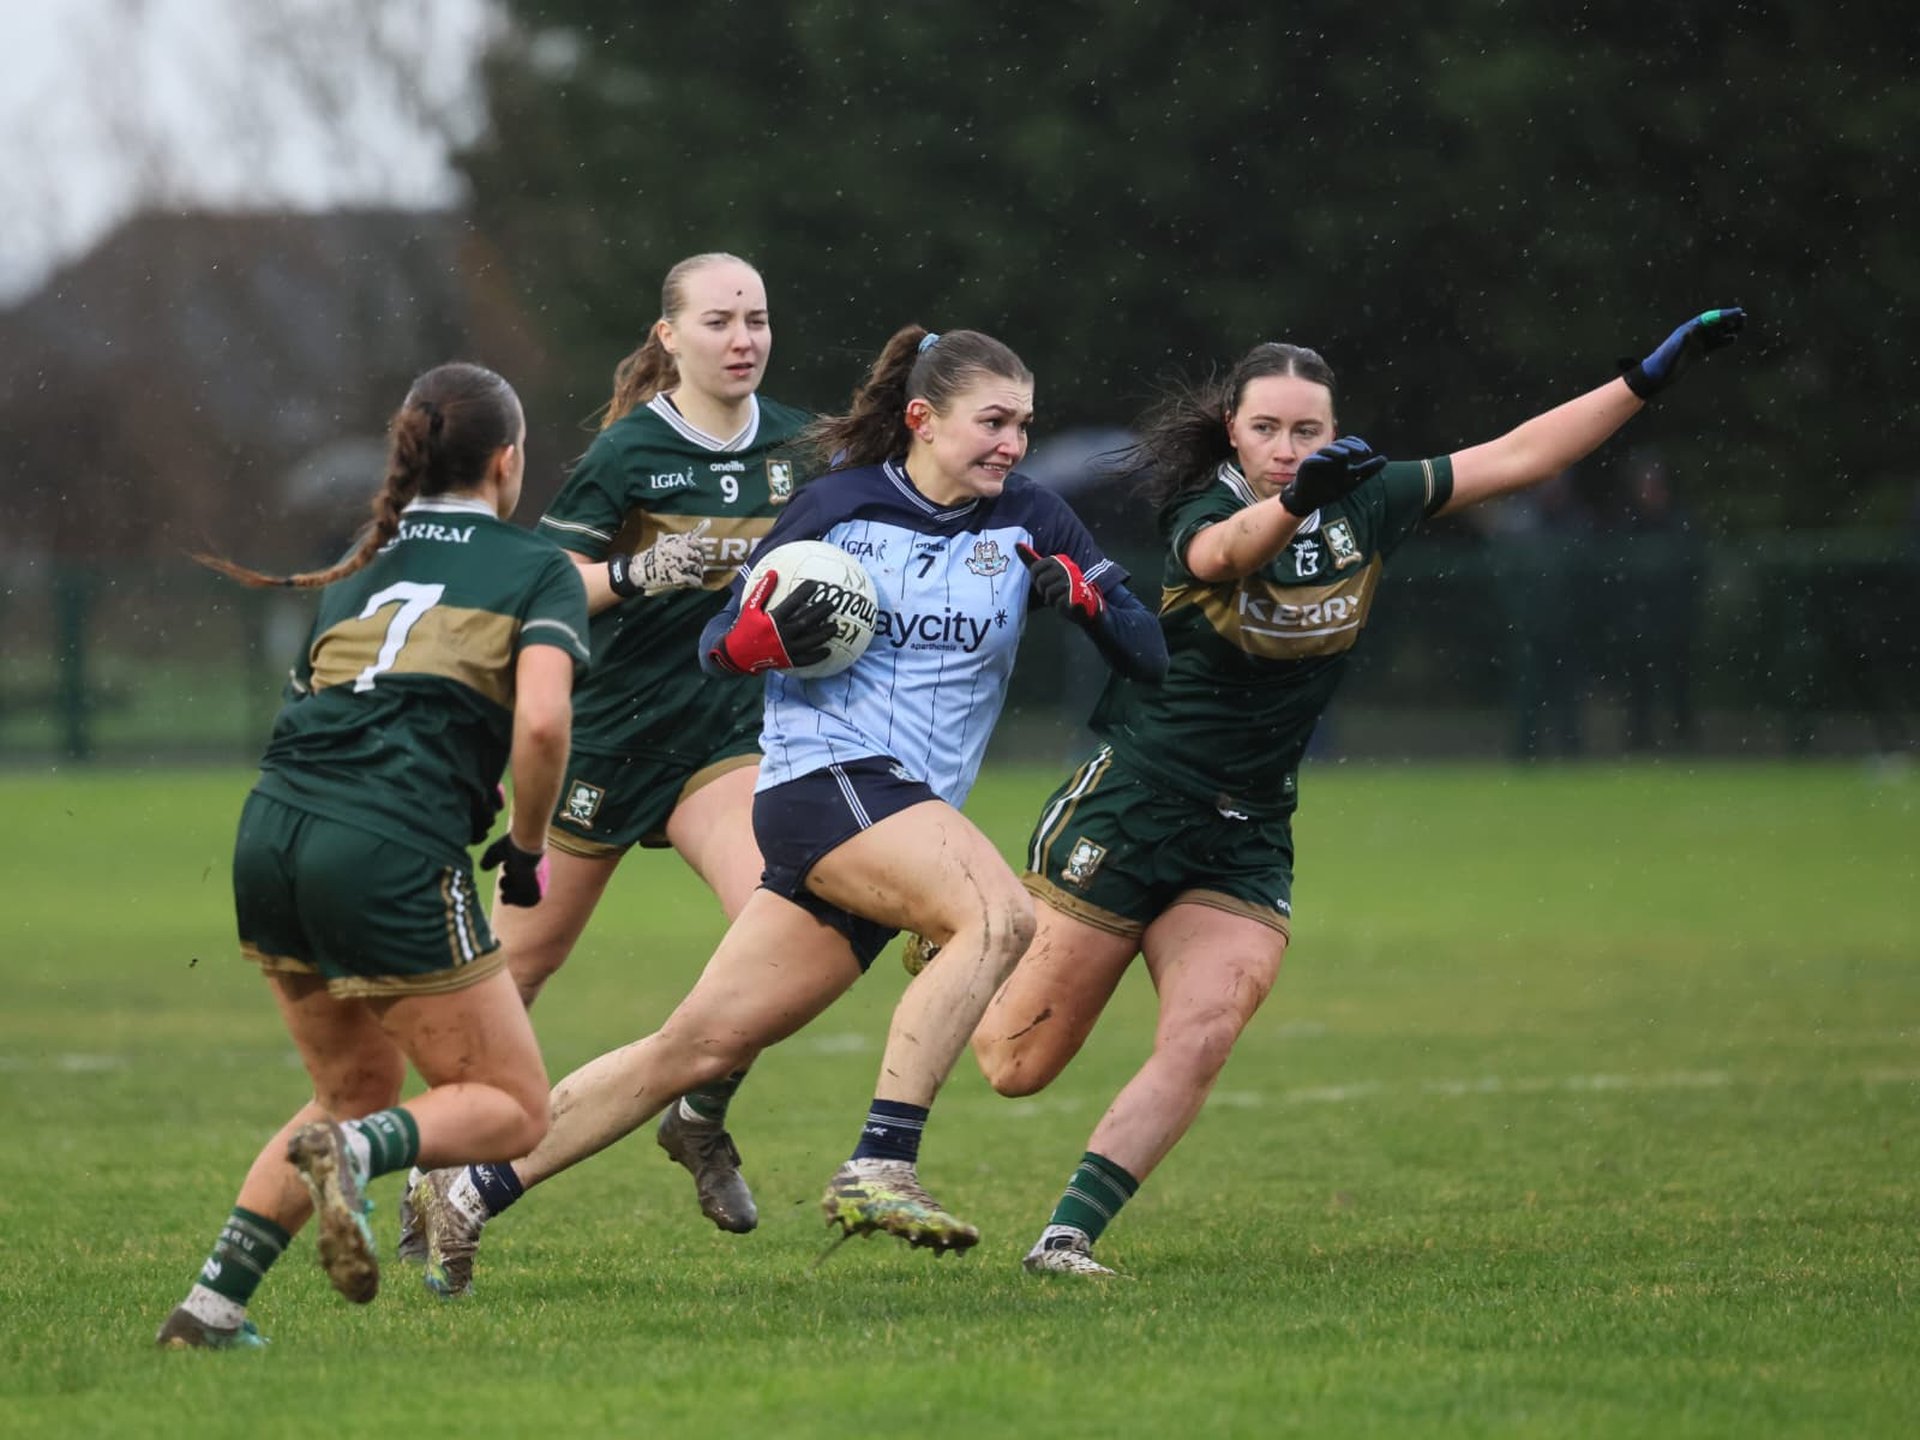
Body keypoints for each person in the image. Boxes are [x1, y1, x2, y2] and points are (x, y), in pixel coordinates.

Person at [970, 308, 1748, 1277]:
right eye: (1267, 430)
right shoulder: (1201, 508)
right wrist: (1298, 504)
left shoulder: (1369, 497)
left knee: (1206, 1031)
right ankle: (964, 925)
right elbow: (1224, 558)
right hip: (1136, 802)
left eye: (1309, 432)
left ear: (1334, 432)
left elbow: (1519, 454)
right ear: (1231, 431)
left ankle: (1066, 1237)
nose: (1289, 449)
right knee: (1015, 1066)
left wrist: (1645, 380)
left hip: (1248, 828)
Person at [408, 325, 1169, 1294]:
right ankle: (880, 1163)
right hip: (823, 785)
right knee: (1001, 913)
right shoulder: (838, 505)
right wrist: (757, 637)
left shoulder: (1032, 518)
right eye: (993, 422)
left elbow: (1149, 651)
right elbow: (718, 643)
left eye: (1023, 424)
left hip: (901, 818)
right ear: (923, 420)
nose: (1012, 444)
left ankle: (470, 1193)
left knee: (694, 1047)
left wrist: (1091, 605)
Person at [155, 362, 589, 1347]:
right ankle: (352, 1156)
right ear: (508, 461)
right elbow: (545, 726)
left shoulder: (360, 560)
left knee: (350, 1089)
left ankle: (209, 1310)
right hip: (385, 845)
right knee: (513, 1109)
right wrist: (525, 846)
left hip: (271, 834)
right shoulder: (537, 569)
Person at [401, 252, 813, 1249]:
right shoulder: (630, 454)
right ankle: (433, 1175)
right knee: (507, 979)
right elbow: (539, 589)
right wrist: (642, 568)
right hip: (612, 740)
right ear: (670, 337)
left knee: (786, 925)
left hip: (729, 735)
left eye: (757, 319)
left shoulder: (807, 444)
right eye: (719, 321)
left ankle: (698, 1116)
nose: (744, 339)